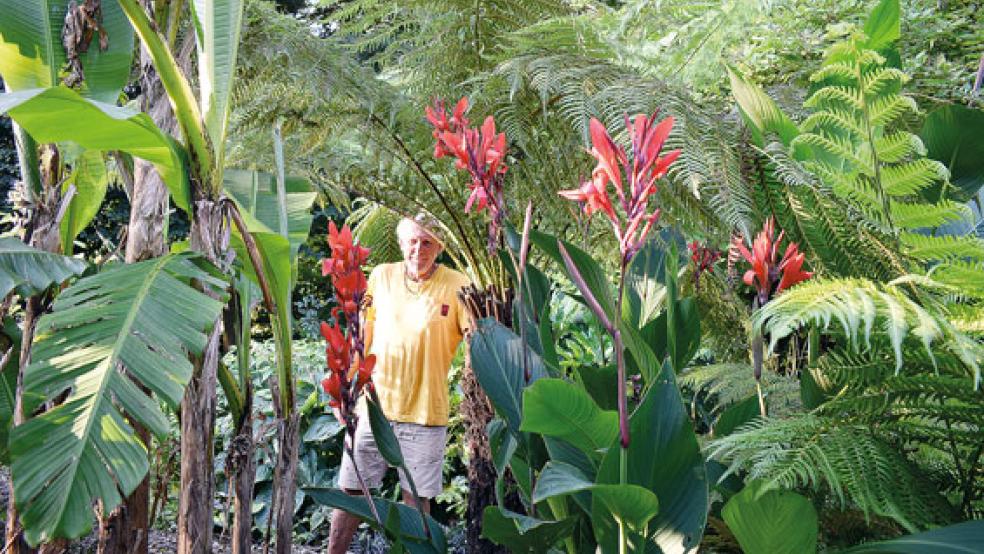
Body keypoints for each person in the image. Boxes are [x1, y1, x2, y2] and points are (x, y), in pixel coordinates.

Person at [327, 213, 471, 554]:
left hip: (426, 415)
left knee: (416, 506)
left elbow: (477, 339)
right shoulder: (381, 276)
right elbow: (361, 336)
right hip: (375, 409)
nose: (418, 250)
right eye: (412, 241)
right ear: (402, 242)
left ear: (440, 247)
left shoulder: (459, 284)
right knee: (351, 491)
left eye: (427, 243)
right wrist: (345, 394)